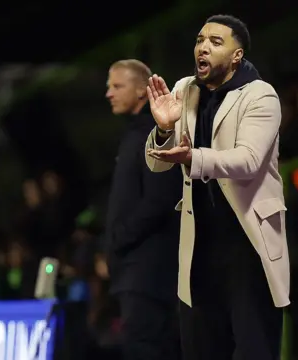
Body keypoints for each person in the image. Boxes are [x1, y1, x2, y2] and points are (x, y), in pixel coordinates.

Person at [144, 15, 289, 360]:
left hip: (248, 246)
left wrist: (194, 157)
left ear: (237, 56)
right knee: (201, 350)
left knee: (256, 350)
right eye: (199, 40)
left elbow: (248, 160)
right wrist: (164, 131)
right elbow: (157, 162)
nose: (203, 47)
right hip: (199, 247)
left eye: (215, 42)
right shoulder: (184, 90)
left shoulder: (260, 96)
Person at [104, 59, 182, 360]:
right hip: (135, 273)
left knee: (147, 349)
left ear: (141, 90)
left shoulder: (155, 134)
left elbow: (159, 200)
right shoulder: (133, 136)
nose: (109, 93)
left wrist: (119, 238)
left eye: (117, 86)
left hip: (147, 274)